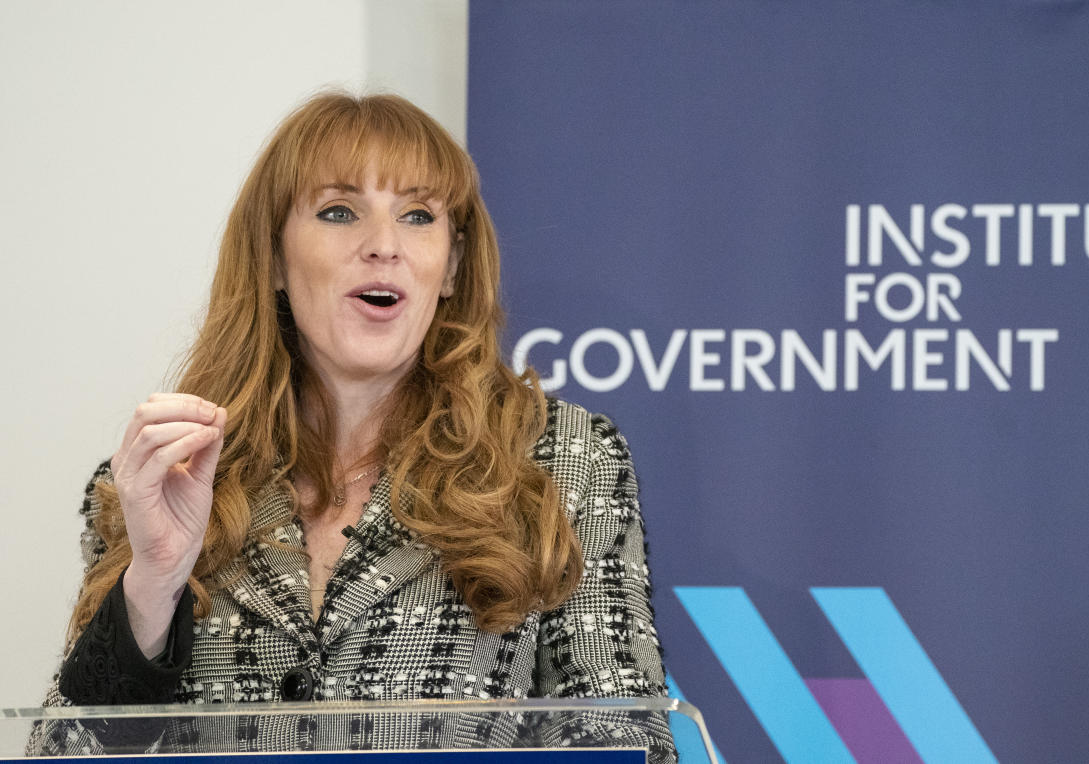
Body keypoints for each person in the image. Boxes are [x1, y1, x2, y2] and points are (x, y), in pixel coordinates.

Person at [30, 92, 674, 758]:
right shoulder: (167, 474)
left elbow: (625, 738)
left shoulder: (559, 457)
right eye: (340, 212)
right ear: (274, 258)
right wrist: (154, 584)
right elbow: (62, 755)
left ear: (451, 265)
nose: (384, 247)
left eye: (418, 216)